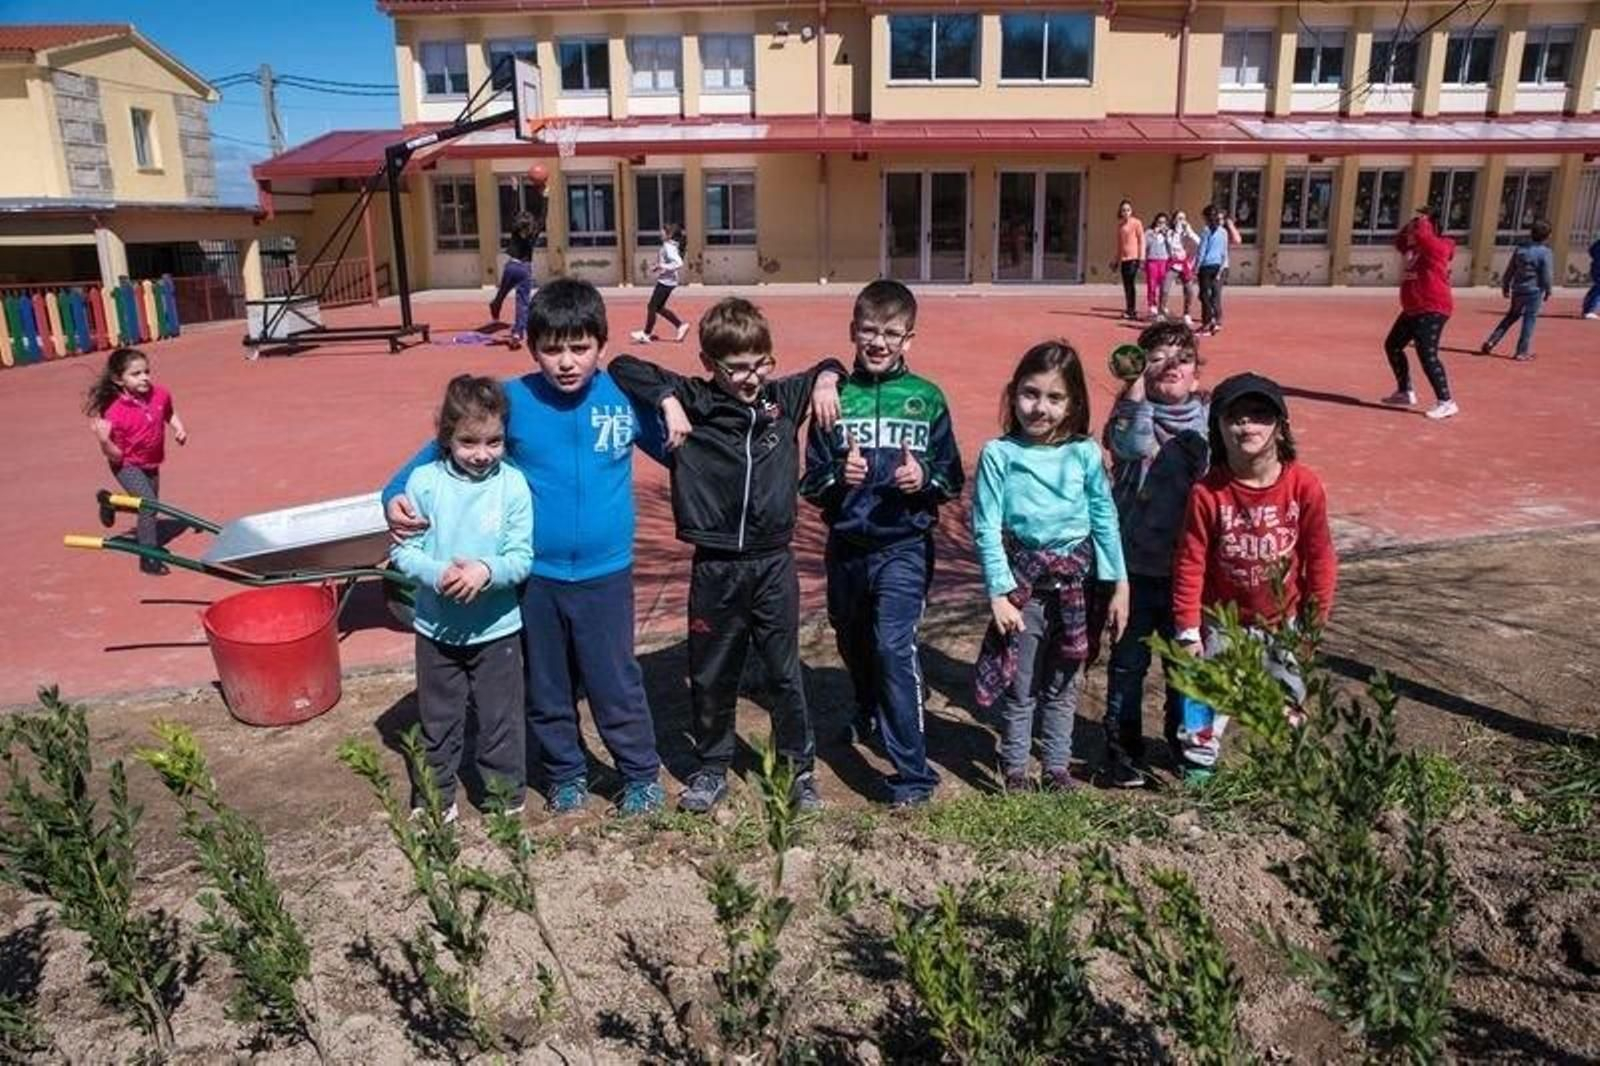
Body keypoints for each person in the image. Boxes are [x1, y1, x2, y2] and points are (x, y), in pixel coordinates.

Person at [385, 279, 669, 816]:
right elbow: (433, 451)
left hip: (606, 575)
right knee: (547, 683)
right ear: (532, 347)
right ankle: (565, 772)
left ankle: (638, 773)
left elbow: (684, 451)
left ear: (601, 346)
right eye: (552, 348)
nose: (566, 362)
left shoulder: (624, 399)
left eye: (580, 347)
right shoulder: (513, 400)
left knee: (615, 679)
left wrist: (672, 404)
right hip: (534, 577)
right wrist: (393, 495)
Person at [610, 298, 844, 815]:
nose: (751, 377)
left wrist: (827, 379)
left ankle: (798, 769)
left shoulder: (784, 397)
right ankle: (712, 766)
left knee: (785, 673)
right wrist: (668, 400)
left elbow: (832, 364)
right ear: (709, 364)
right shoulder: (695, 398)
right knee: (713, 670)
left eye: (761, 362)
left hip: (773, 564)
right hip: (715, 565)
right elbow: (623, 366)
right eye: (736, 367)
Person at [799, 279, 965, 809]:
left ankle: (913, 774)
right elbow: (811, 482)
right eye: (869, 330)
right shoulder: (834, 399)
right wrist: (837, 479)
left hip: (904, 545)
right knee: (852, 637)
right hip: (846, 546)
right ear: (853, 331)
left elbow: (952, 476)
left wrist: (927, 481)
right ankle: (866, 703)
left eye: (891, 333)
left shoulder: (927, 399)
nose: (878, 342)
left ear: (908, 340)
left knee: (894, 646)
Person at [972, 341, 1130, 793]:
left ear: (1073, 403)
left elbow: (1104, 519)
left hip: (1077, 589)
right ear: (1013, 393)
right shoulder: (999, 455)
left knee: (1064, 683)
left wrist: (1119, 583)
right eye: (1030, 393)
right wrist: (998, 593)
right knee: (1022, 687)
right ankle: (1015, 768)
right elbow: (986, 528)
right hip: (1025, 592)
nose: (1039, 407)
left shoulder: (1084, 454)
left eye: (1054, 397)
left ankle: (1056, 767)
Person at [1170, 372, 1337, 777]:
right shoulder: (1207, 493)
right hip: (1221, 622)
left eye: (1260, 416)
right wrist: (1188, 629)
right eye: (1235, 418)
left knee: (1287, 694)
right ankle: (1198, 770)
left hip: (1285, 621)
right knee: (1206, 696)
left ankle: (1292, 770)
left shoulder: (1304, 486)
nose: (1247, 426)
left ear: (1281, 427)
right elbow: (1190, 562)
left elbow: (1320, 557)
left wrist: (1314, 621)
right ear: (1218, 430)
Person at [390, 376, 534, 822]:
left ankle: (505, 797)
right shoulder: (424, 483)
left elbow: (521, 557)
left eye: (494, 441)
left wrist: (485, 571)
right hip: (436, 629)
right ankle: (436, 797)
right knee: (439, 719)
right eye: (468, 441)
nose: (481, 453)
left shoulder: (512, 485)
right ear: (446, 435)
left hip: (497, 630)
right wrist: (441, 574)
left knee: (500, 719)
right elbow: (402, 551)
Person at [1102, 321, 1209, 788]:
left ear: (1197, 376)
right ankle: (1123, 747)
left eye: (1182, 359)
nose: (1171, 366)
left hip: (1190, 574)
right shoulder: (1129, 413)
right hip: (1133, 570)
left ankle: (1188, 747)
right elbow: (1132, 444)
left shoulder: (1210, 426)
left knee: (1188, 665)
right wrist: (1136, 393)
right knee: (1127, 664)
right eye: (1157, 357)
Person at [85, 347, 188, 575]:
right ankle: (148, 556)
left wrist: (178, 428)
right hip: (126, 464)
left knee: (145, 506)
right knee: (149, 504)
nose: (144, 378)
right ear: (118, 379)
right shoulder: (115, 412)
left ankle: (110, 502)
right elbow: (116, 455)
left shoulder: (160, 394)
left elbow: (168, 412)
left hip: (152, 461)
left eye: (146, 371)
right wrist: (103, 440)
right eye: (136, 374)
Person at [1382, 206, 1458, 420]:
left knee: (1427, 354)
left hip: (1433, 307)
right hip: (1413, 309)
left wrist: (1424, 221)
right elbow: (1399, 242)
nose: (1414, 232)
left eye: (1417, 229)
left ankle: (1446, 401)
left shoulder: (1440, 246)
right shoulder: (1414, 250)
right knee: (1393, 345)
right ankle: (1405, 391)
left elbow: (1425, 237)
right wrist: (1410, 227)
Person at [1481, 219, 1554, 362]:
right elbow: (1547, 273)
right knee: (1529, 320)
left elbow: (1510, 269)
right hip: (1534, 290)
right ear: (1546, 236)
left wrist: (1506, 285)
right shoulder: (1545, 252)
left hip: (1518, 289)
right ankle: (1521, 351)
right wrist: (1548, 289)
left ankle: (1491, 341)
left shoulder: (1520, 249)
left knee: (1511, 316)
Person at [631, 223, 692, 344]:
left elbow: (678, 263)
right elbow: (670, 263)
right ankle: (680, 326)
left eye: (662, 232)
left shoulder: (668, 246)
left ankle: (646, 334)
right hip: (668, 281)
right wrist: (658, 267)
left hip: (666, 282)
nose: (660, 233)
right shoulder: (671, 246)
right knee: (658, 308)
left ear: (669, 235)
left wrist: (661, 266)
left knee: (652, 306)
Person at [489, 208, 541, 349]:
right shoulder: (533, 235)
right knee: (523, 303)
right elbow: (543, 216)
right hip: (524, 269)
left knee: (502, 292)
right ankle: (517, 333)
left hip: (511, 266)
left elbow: (512, 212)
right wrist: (546, 197)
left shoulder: (515, 232)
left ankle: (496, 304)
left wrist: (513, 188)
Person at [1195, 205, 1240, 336]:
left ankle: (1207, 323)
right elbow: (1224, 252)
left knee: (1205, 296)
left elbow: (1202, 251)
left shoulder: (1206, 230)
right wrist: (1221, 268)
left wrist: (1196, 268)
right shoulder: (1223, 231)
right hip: (1217, 266)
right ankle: (1214, 322)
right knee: (1213, 295)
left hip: (1206, 266)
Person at [1163, 209, 1201, 328]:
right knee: (1165, 289)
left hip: (1185, 265)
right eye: (1179, 219)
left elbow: (1199, 242)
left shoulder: (1188, 233)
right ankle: (1162, 311)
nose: (1182, 221)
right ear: (1174, 221)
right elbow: (1172, 245)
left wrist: (1189, 231)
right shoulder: (1170, 233)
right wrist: (1178, 231)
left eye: (1183, 219)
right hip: (1174, 264)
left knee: (1189, 290)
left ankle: (1186, 313)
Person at [1116, 199, 1145, 321]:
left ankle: (1132, 310)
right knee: (1126, 285)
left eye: (1128, 210)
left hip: (1134, 258)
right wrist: (1116, 259)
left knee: (1131, 284)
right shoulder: (1120, 225)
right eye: (1123, 210)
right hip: (1124, 258)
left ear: (1131, 211)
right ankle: (1129, 309)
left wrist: (1141, 257)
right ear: (1120, 212)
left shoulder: (1136, 223)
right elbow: (1119, 244)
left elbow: (1142, 240)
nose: (1126, 212)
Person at [1143, 212, 1175, 321]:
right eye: (1159, 222)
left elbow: (1171, 249)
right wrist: (1153, 234)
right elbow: (1145, 244)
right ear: (1155, 222)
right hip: (1152, 261)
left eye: (1164, 223)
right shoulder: (1149, 232)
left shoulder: (1168, 233)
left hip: (1164, 261)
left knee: (1164, 285)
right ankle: (1152, 305)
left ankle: (1162, 306)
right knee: (1152, 284)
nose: (1161, 225)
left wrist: (1167, 236)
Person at [1584, 234, 1600, 320]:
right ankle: (1590, 310)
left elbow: (1591, 251)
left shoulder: (1597, 243)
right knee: (1598, 290)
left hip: (1595, 268)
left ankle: (1587, 309)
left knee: (1596, 289)